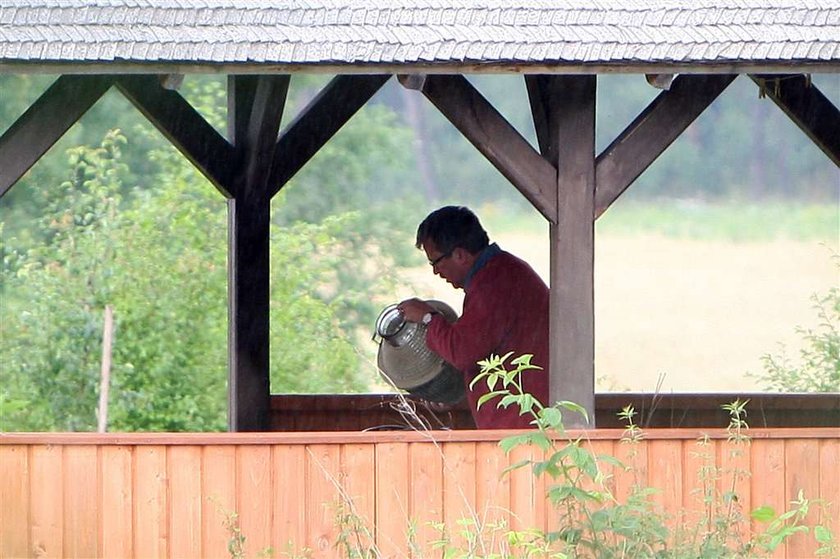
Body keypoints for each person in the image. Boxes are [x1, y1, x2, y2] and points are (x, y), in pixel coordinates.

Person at [397, 206, 550, 429]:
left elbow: (462, 351)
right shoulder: (504, 272)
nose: (436, 272)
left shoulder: (494, 283)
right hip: (525, 416)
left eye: (436, 262)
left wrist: (429, 318)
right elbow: (484, 351)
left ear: (459, 255)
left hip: (521, 425)